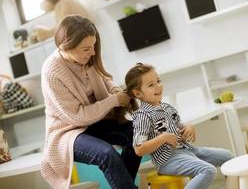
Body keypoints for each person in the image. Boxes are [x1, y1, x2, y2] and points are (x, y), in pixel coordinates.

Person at [40, 15, 141, 189]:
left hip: (96, 123)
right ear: (66, 46)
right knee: (107, 154)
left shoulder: (86, 58)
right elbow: (77, 117)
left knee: (139, 133)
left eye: (93, 46)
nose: (93, 52)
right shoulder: (52, 71)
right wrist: (114, 100)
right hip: (68, 132)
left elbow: (104, 78)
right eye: (86, 49)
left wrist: (115, 90)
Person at [124, 63, 234, 189]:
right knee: (208, 170)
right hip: (168, 160)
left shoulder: (168, 108)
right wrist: (163, 138)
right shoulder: (142, 116)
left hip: (189, 151)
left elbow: (178, 127)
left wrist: (188, 127)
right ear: (138, 93)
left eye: (158, 81)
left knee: (228, 157)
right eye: (151, 85)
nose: (158, 86)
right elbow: (139, 149)